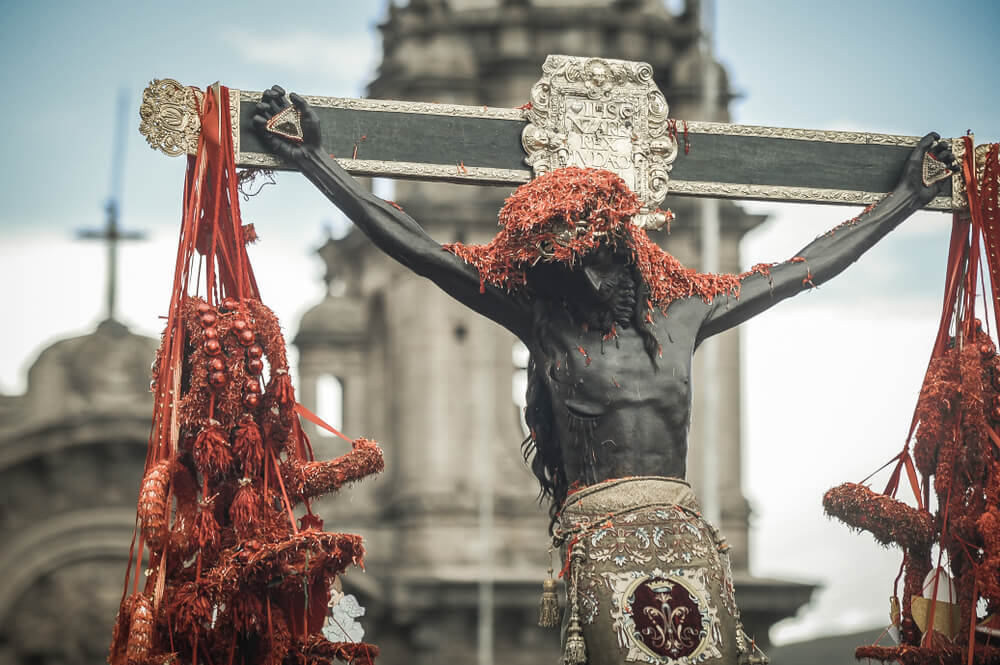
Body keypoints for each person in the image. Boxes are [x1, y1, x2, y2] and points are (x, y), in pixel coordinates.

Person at [253, 86, 956, 665]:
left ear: (626, 245)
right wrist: (313, 160)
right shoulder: (543, 318)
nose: (588, 278)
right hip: (600, 543)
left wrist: (907, 198)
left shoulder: (689, 310)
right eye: (568, 265)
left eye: (597, 256)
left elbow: (808, 267)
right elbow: (418, 248)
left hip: (690, 538)